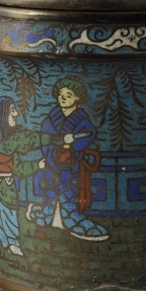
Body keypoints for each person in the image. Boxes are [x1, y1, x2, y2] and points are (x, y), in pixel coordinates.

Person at [28, 77, 108, 242]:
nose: (63, 98)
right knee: (50, 191)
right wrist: (59, 145)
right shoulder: (52, 118)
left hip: (70, 165)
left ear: (77, 98)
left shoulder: (82, 120)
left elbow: (89, 134)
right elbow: (44, 138)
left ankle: (70, 219)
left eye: (68, 95)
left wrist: (70, 146)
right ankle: (47, 216)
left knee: (68, 191)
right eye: (60, 95)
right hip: (52, 163)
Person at [0, 97, 49, 256]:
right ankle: (9, 241)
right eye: (12, 110)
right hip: (3, 183)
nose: (16, 114)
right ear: (3, 114)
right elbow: (18, 167)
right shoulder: (3, 136)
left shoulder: (0, 133)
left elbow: (18, 164)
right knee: (6, 211)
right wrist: (38, 164)